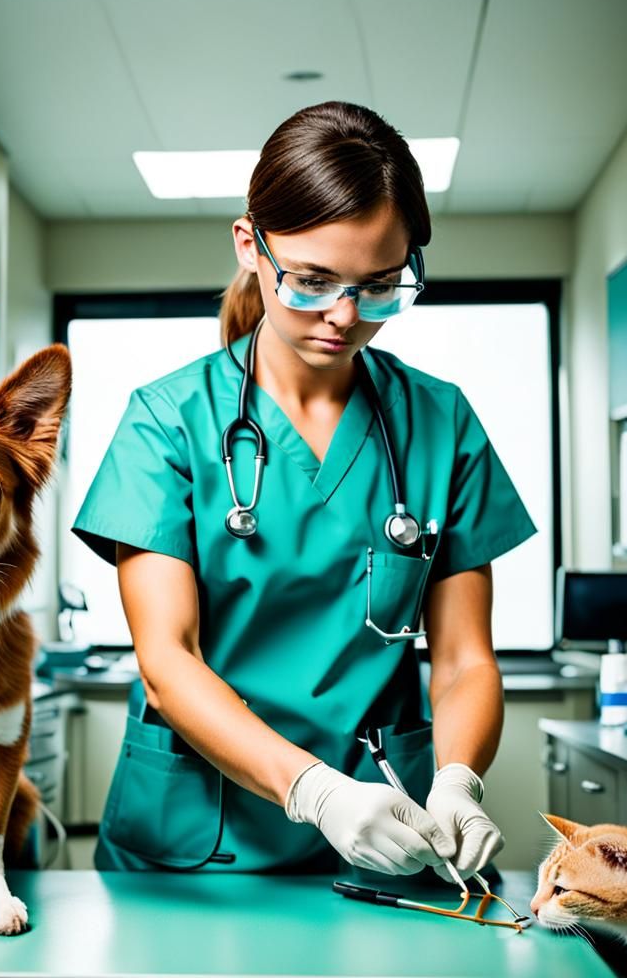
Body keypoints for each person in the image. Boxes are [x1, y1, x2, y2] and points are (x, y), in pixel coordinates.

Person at [72, 101, 536, 879]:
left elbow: (462, 662)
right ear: (250, 246)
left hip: (390, 833)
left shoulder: (440, 421)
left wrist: (457, 778)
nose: (345, 317)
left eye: (380, 286)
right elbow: (168, 657)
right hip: (197, 838)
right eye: (314, 282)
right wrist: (315, 791)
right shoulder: (168, 421)